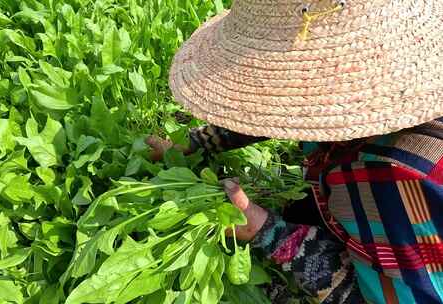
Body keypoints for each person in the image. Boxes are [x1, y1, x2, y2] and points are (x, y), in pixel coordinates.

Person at [148, 0, 443, 303]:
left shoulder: (384, 180)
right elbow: (280, 107)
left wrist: (266, 231)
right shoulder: (417, 73)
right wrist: (200, 142)